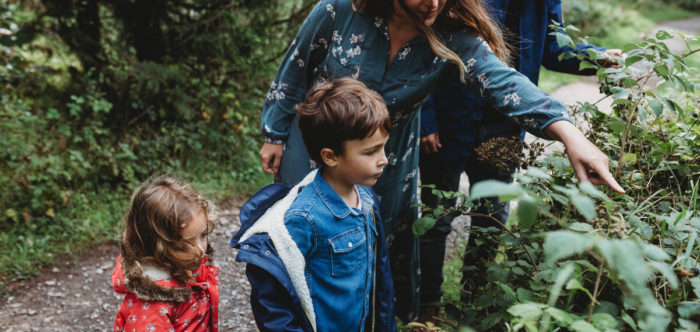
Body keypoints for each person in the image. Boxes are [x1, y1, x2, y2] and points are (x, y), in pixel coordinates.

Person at [257, 0, 625, 320]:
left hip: (387, 161)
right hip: (312, 150)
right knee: (298, 238)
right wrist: (274, 133)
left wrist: (570, 135)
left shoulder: (453, 36)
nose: (433, 2)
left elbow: (507, 84)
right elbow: (295, 68)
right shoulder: (338, 10)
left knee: (368, 250)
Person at [416, 0, 623, 321]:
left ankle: (476, 302)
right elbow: (429, 40)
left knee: (493, 214)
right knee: (436, 215)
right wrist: (425, 118)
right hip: (449, 116)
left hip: (507, 122)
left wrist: (598, 58)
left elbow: (552, 49)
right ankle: (427, 308)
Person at [232, 78, 396, 331]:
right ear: (330, 156)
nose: (383, 160)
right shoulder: (302, 219)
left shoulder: (366, 200)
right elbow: (273, 298)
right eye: (370, 152)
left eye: (383, 148)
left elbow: (379, 277)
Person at [111, 177, 219, 331]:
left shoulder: (184, 263)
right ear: (156, 246)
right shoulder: (151, 307)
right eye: (186, 243)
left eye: (203, 235)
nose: (201, 249)